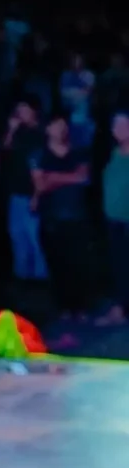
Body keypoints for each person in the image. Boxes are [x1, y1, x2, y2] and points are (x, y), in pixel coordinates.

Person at [32, 114, 93, 312]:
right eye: (56, 126)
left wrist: (54, 177)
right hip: (52, 218)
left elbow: (83, 177)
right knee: (58, 265)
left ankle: (80, 307)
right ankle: (64, 308)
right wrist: (70, 177)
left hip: (77, 216)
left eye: (63, 125)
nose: (61, 129)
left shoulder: (78, 151)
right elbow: (40, 184)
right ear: (47, 129)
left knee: (79, 263)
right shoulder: (40, 154)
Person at [1, 96, 49, 283]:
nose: (21, 114)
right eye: (18, 111)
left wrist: (37, 194)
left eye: (24, 110)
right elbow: (3, 153)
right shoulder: (16, 132)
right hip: (16, 193)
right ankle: (21, 278)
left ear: (33, 110)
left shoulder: (41, 133)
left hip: (33, 193)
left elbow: (42, 167)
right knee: (17, 235)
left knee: (35, 238)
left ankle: (40, 280)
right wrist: (11, 130)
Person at [101, 111, 129, 323]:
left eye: (123, 125)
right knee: (119, 266)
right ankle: (121, 309)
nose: (118, 130)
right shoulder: (113, 153)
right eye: (115, 126)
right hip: (115, 220)